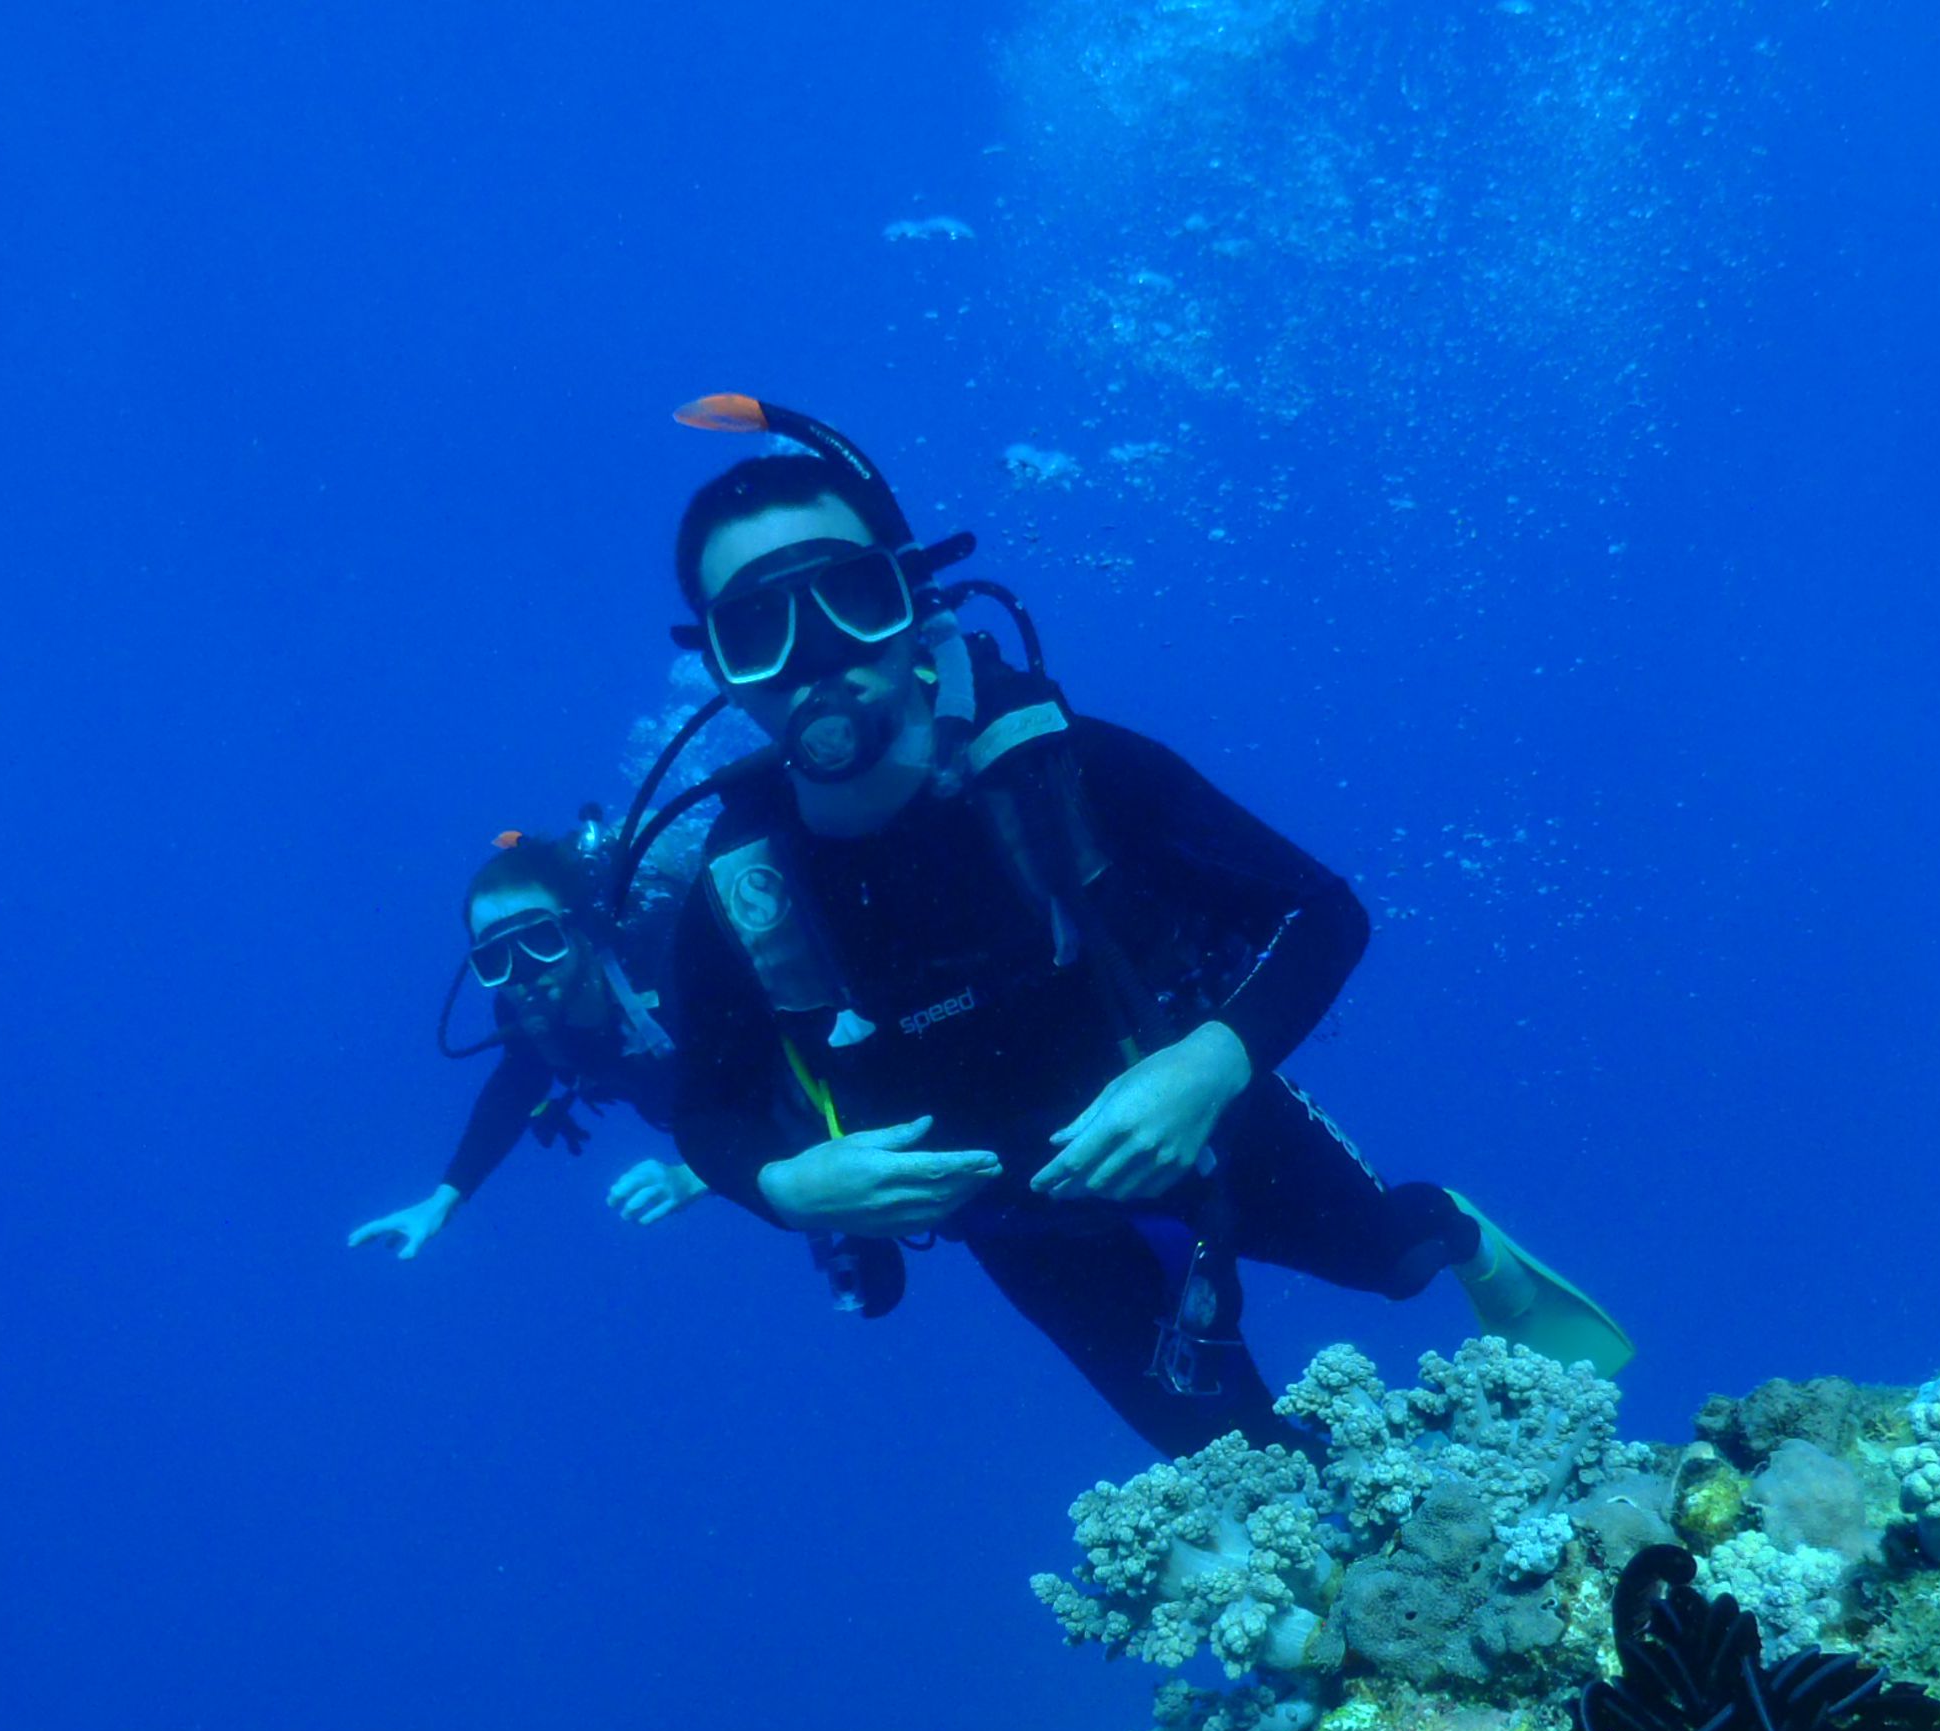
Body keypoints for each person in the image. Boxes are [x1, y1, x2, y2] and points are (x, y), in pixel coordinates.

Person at [649, 395, 1625, 1457]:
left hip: (1213, 1127)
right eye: (758, 627)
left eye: (848, 595)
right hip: (1026, 1224)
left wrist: (1209, 1066)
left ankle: (1464, 1237)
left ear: (913, 599)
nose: (816, 654)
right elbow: (706, 1106)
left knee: (1392, 1260)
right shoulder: (738, 897)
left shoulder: (1067, 772)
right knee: (1238, 1478)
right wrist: (785, 1187)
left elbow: (1322, 911)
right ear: (718, 667)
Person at [349, 828, 909, 1315]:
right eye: (495, 960)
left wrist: (692, 1177)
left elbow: (781, 1085)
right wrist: (445, 1196)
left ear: (582, 931)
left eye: (538, 941)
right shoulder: (529, 1019)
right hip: (721, 1125)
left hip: (800, 1096)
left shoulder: (677, 971)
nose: (522, 974)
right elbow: (513, 1087)